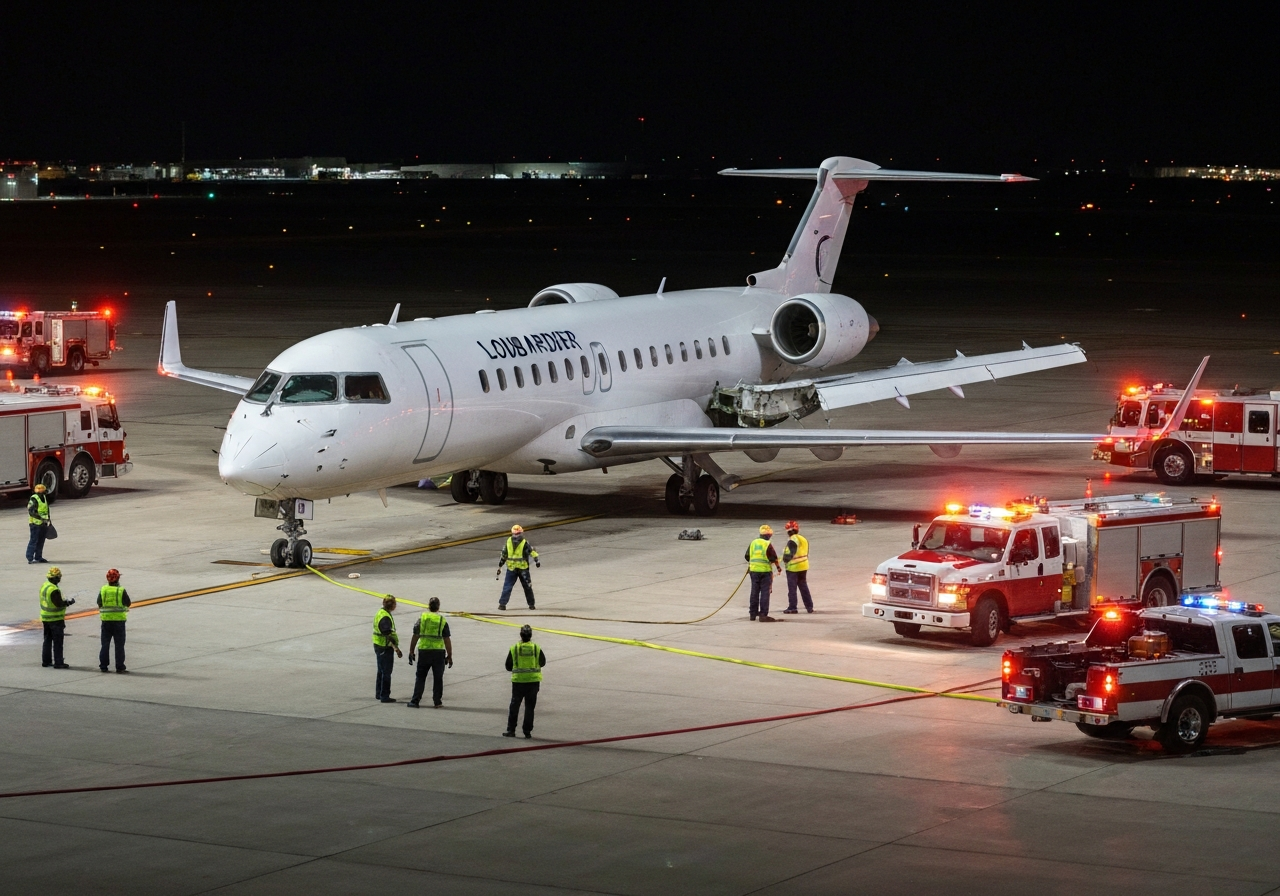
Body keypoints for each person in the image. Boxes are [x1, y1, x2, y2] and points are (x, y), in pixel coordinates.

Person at [407, 597, 452, 708]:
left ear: (428, 606)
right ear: (438, 607)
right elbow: (447, 639)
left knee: (421, 677)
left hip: (424, 651)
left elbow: (415, 635)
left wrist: (411, 651)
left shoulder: (422, 618)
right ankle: (437, 702)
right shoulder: (442, 620)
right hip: (438, 653)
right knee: (438, 678)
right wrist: (449, 655)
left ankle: (415, 701)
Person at [503, 624, 545, 739]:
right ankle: (527, 731)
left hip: (518, 682)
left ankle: (511, 730)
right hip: (533, 682)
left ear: (520, 635)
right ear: (531, 635)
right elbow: (542, 662)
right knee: (530, 707)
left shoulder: (515, 648)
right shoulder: (536, 648)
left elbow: (508, 666)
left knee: (514, 706)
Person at [497, 525, 540, 610]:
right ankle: (531, 605)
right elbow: (532, 552)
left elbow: (504, 554)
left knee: (508, 586)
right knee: (527, 586)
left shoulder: (509, 541)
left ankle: (502, 604)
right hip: (522, 568)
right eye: (516, 534)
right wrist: (537, 561)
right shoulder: (524, 542)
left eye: (518, 534)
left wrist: (500, 564)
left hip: (512, 568)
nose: (517, 536)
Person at [745, 524, 783, 622]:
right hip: (765, 572)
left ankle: (752, 614)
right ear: (768, 535)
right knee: (765, 593)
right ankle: (763, 615)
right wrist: (778, 567)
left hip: (753, 571)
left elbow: (747, 556)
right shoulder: (767, 544)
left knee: (754, 592)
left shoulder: (753, 542)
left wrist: (753, 563)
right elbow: (773, 558)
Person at [39, 566, 74, 668]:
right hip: (55, 618)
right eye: (58, 577)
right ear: (56, 578)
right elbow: (58, 603)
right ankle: (58, 662)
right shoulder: (53, 589)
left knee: (47, 640)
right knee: (58, 641)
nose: (59, 579)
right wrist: (68, 603)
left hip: (45, 617)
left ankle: (46, 661)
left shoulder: (45, 586)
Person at [97, 568, 132, 673]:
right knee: (119, 645)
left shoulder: (103, 589)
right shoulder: (121, 590)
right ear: (118, 579)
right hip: (119, 622)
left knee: (105, 644)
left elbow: (99, 602)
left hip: (106, 621)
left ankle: (103, 666)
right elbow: (128, 603)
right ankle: (120, 666)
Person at [372, 597, 402, 703]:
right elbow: (387, 634)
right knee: (386, 672)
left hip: (378, 644)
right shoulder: (385, 617)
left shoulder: (380, 612)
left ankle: (379, 693)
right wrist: (396, 649)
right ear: (392, 605)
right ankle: (384, 695)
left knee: (381, 670)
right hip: (384, 647)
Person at [781, 520, 814, 614]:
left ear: (788, 531)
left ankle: (792, 607)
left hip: (793, 568)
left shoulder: (793, 539)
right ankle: (809, 606)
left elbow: (791, 552)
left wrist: (785, 559)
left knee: (792, 588)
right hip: (804, 566)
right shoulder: (803, 538)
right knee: (803, 586)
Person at [26, 483, 51, 564]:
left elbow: (46, 509)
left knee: (41, 540)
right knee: (34, 540)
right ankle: (30, 557)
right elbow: (31, 512)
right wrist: (42, 518)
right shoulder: (34, 499)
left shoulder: (44, 497)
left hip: (43, 523)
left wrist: (48, 519)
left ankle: (38, 557)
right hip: (35, 524)